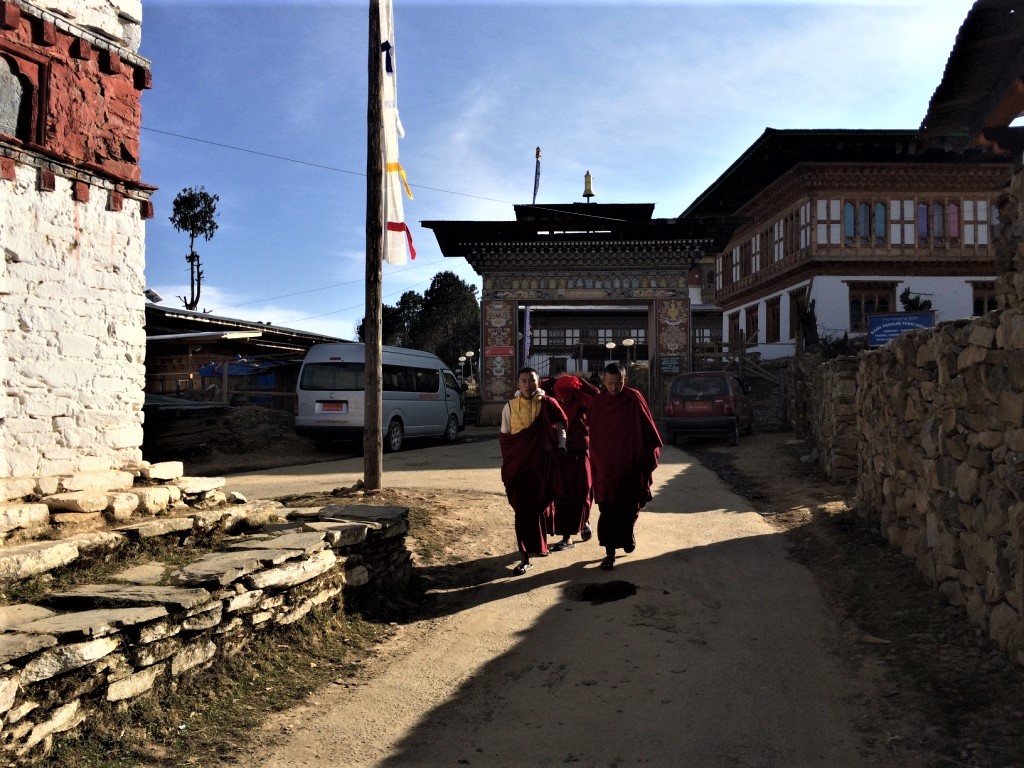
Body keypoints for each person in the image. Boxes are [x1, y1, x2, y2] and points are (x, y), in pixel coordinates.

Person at [588, 363, 662, 570]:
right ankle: (609, 553)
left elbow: (648, 429)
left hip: (631, 465)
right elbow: (594, 435)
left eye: (618, 383)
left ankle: (628, 534)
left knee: (629, 507)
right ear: (603, 381)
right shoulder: (599, 402)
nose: (613, 388)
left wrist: (644, 457)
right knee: (608, 510)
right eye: (609, 384)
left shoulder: (633, 398)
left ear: (625, 380)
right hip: (607, 467)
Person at [499, 368, 567, 575]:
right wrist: (511, 462)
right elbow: (506, 438)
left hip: (542, 465)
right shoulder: (510, 407)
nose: (528, 385)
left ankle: (540, 544)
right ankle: (524, 557)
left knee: (538, 507)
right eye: (524, 381)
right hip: (519, 467)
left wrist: (562, 444)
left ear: (539, 382)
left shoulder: (548, 403)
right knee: (522, 511)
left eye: (532, 380)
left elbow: (561, 425)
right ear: (518, 384)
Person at [543, 374, 601, 551]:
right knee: (562, 494)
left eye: (564, 395)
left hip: (581, 452)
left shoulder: (584, 401)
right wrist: (551, 381)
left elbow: (598, 395)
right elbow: (538, 389)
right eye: (558, 394)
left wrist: (582, 383)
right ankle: (566, 537)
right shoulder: (552, 401)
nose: (561, 398)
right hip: (560, 452)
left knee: (584, 491)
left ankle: (584, 521)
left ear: (573, 392)